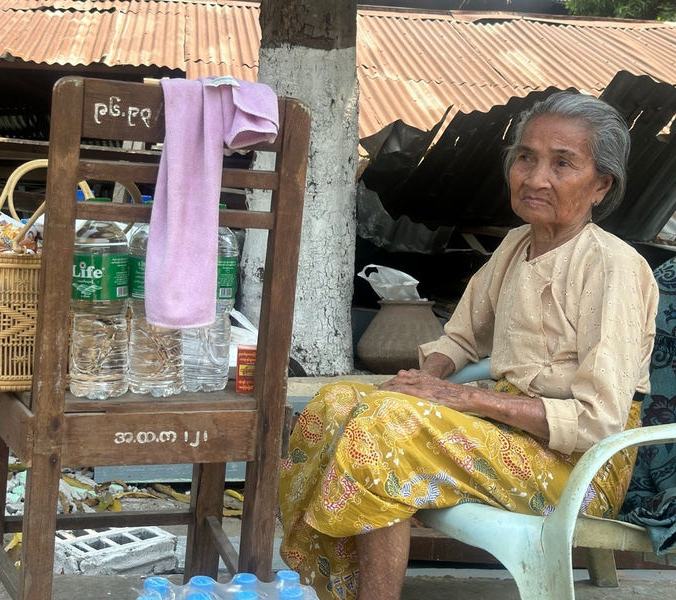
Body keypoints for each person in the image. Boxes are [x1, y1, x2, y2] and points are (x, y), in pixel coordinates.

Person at [278, 92, 659, 600]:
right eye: (525, 157)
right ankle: (331, 587)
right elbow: (460, 336)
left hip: (579, 465)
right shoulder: (517, 244)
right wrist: (425, 379)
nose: (535, 178)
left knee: (386, 427)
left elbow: (598, 420)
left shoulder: (613, 267)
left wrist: (465, 398)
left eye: (562, 164)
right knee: (335, 403)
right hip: (509, 432)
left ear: (601, 185)